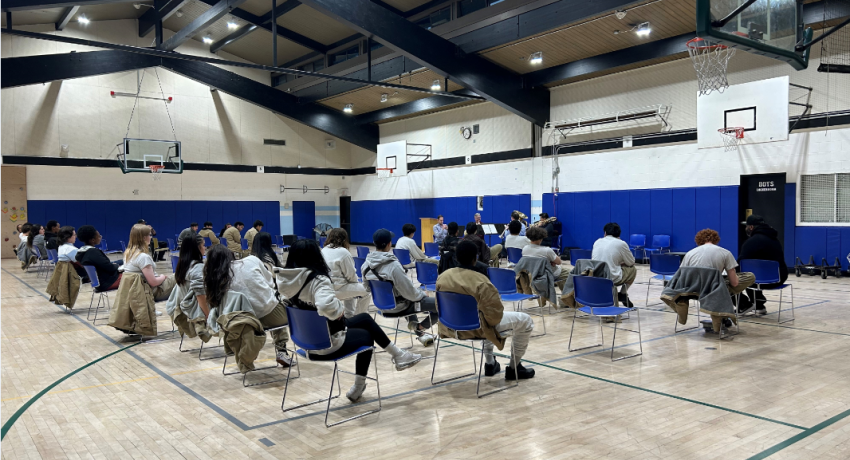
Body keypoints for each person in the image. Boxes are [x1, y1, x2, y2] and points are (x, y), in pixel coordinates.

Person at [279, 239, 422, 401]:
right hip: (326, 343)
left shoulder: (285, 281)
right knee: (367, 336)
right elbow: (327, 307)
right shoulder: (317, 281)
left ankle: (398, 355)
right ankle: (359, 385)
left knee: (365, 319)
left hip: (304, 342)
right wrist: (338, 312)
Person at [437, 241, 535, 379]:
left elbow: (438, 307)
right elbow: (494, 316)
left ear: (456, 257)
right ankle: (514, 368)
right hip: (475, 329)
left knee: (482, 316)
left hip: (449, 328)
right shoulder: (481, 281)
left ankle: (490, 364)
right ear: (475, 258)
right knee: (526, 321)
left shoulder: (443, 277)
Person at [203, 244, 293, 366]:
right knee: (277, 301)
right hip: (268, 317)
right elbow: (270, 283)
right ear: (230, 254)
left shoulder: (215, 281)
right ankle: (282, 349)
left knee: (271, 302)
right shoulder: (251, 260)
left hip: (243, 323)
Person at [363, 229, 437, 347]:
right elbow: (411, 294)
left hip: (382, 306)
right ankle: (419, 327)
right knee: (439, 304)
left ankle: (421, 334)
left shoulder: (365, 265)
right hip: (400, 307)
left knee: (405, 297)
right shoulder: (393, 265)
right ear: (388, 244)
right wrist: (423, 294)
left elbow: (367, 288)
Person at [681, 228, 755, 315]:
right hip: (715, 290)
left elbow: (682, 277)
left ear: (698, 240)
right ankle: (729, 309)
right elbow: (734, 283)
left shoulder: (689, 253)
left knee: (721, 284)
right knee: (749, 277)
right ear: (716, 239)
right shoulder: (725, 253)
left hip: (693, 291)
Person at [738, 215, 787, 316]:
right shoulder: (774, 239)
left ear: (751, 227)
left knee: (733, 279)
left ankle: (744, 305)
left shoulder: (751, 242)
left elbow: (740, 263)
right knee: (753, 274)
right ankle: (759, 306)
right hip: (779, 277)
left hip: (761, 280)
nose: (745, 228)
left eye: (746, 226)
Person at [121, 224, 176, 315]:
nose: (151, 237)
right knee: (183, 276)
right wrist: (162, 277)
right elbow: (153, 282)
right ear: (143, 238)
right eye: (150, 235)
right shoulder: (143, 257)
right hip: (152, 291)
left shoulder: (128, 254)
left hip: (137, 292)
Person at [321, 228, 371, 318]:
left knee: (351, 286)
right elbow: (351, 276)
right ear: (344, 239)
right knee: (367, 291)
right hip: (337, 290)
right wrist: (356, 282)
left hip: (325, 289)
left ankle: (349, 315)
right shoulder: (343, 252)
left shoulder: (323, 250)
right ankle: (358, 318)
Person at [591, 223, 637, 307]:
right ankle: (623, 293)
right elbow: (631, 262)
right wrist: (621, 263)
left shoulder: (597, 242)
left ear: (605, 233)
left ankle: (620, 295)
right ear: (618, 234)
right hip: (611, 278)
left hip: (595, 277)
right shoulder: (621, 243)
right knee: (632, 269)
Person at [75, 225, 123, 291]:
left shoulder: (80, 253)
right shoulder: (93, 252)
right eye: (99, 236)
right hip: (108, 282)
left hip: (98, 283)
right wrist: (117, 266)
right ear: (93, 240)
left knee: (122, 261)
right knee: (135, 276)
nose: (100, 237)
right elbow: (110, 268)